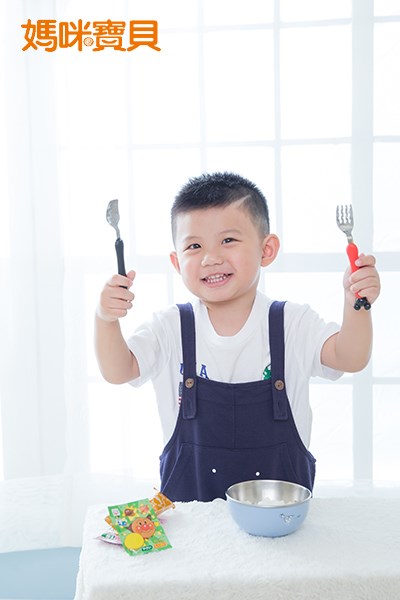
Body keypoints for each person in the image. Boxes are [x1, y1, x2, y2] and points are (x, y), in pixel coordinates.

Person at [95, 172, 380, 502]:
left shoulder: (293, 323)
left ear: (267, 249)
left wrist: (356, 303)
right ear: (176, 261)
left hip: (280, 523)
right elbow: (118, 371)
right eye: (194, 245)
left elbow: (351, 357)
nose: (211, 257)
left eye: (228, 241)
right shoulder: (170, 327)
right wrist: (106, 318)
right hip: (191, 527)